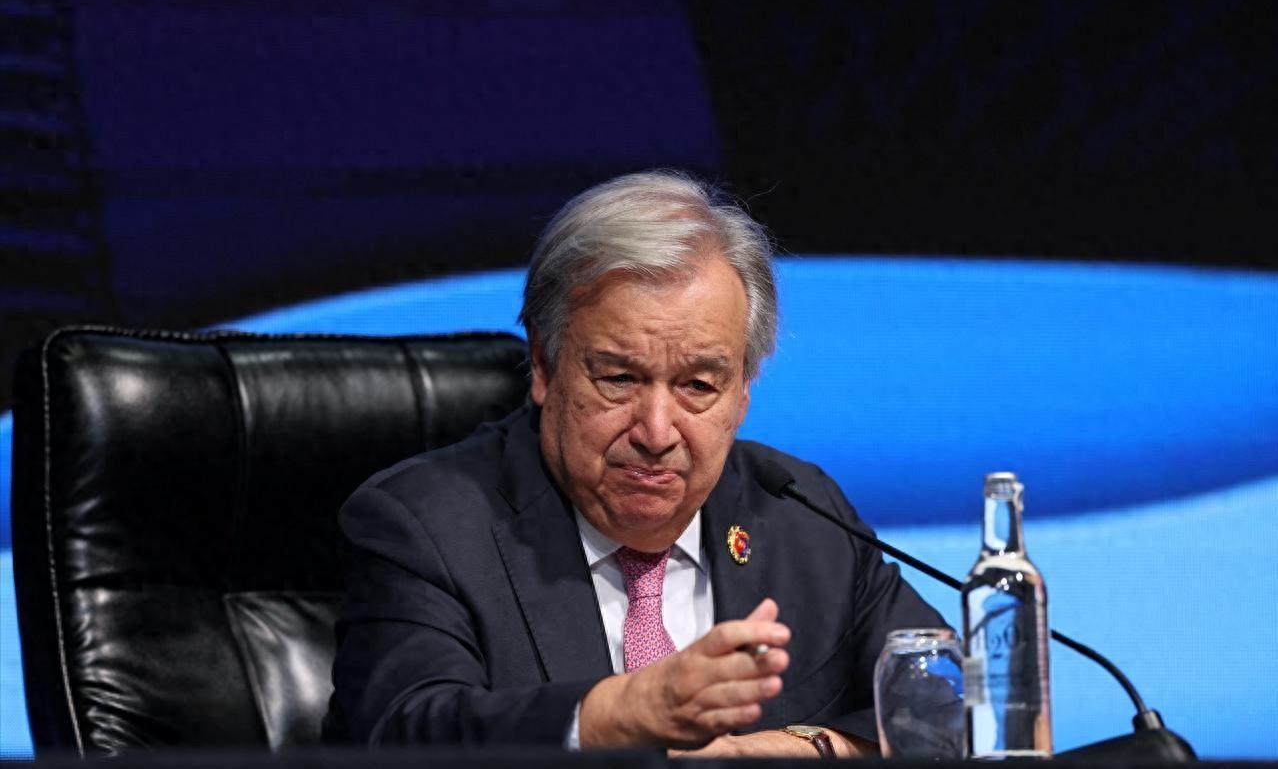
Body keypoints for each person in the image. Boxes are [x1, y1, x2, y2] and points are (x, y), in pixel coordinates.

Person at [324, 171, 947, 757]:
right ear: (543, 366)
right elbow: (403, 734)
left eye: (698, 385)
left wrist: (800, 750)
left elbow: (950, 704)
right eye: (619, 378)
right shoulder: (425, 526)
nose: (656, 432)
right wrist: (623, 713)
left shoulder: (799, 512)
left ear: (743, 391)